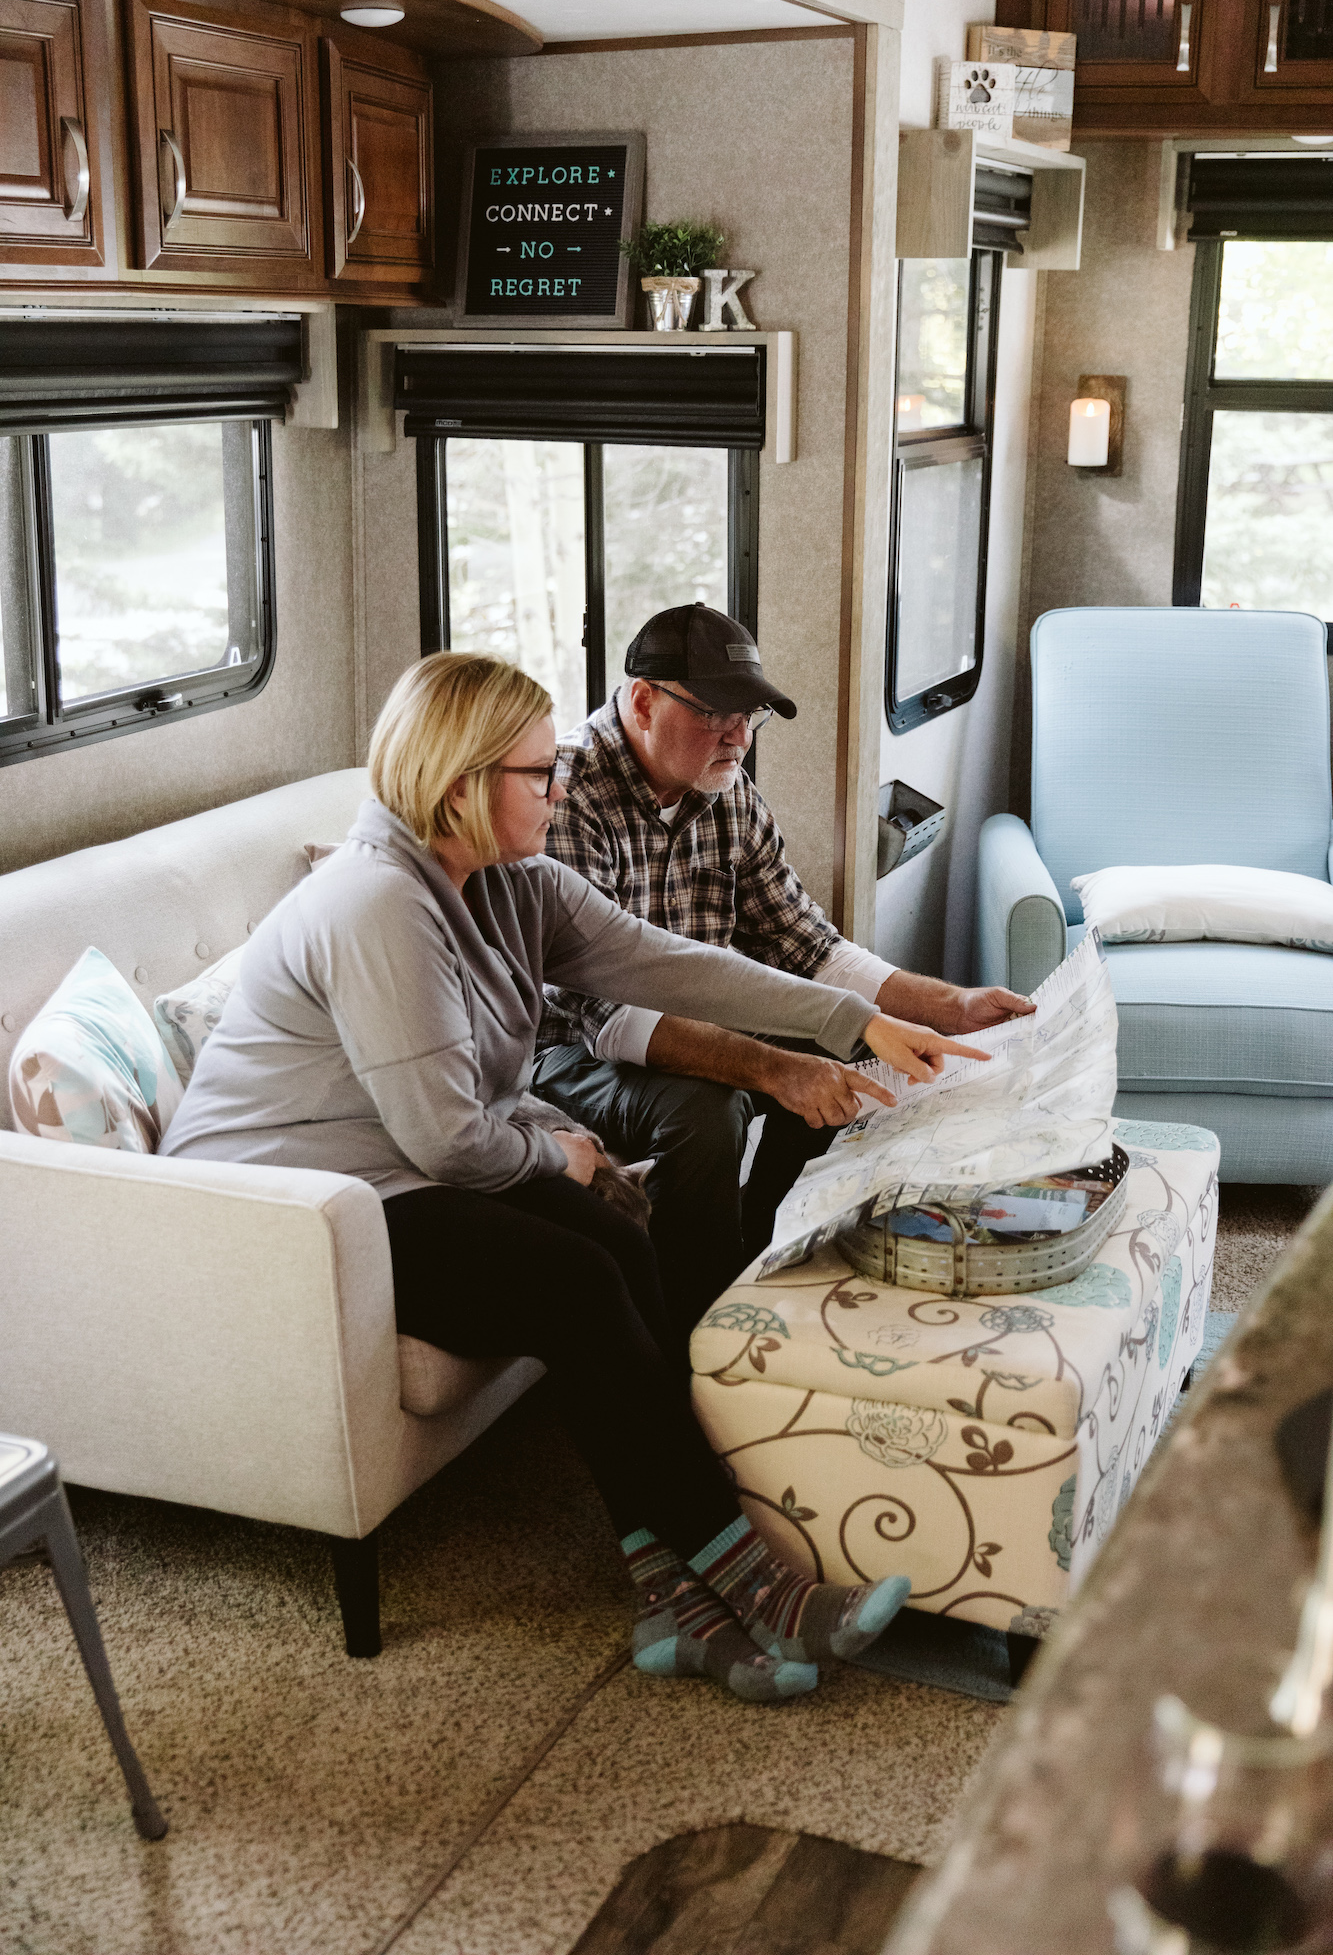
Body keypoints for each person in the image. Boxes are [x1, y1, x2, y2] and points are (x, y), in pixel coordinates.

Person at [160, 652, 989, 1706]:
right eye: (537, 773)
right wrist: (560, 1149)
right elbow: (453, 1142)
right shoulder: (375, 902)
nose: (559, 791)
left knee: (619, 1235)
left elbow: (672, 962)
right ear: (460, 777)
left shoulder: (512, 885)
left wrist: (859, 1020)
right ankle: (755, 1585)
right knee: (576, 1280)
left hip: (388, 1176)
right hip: (281, 1206)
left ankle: (669, 1595)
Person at [534, 602, 1035, 1327]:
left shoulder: (725, 787)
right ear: (643, 701)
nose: (738, 737)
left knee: (847, 1054)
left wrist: (949, 1006)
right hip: (564, 1047)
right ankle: (694, 1334)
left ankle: (763, 1263)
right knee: (702, 1112)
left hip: (687, 1015)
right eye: (716, 714)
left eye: (750, 717)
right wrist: (771, 1066)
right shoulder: (569, 791)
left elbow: (809, 948)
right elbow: (603, 1015)